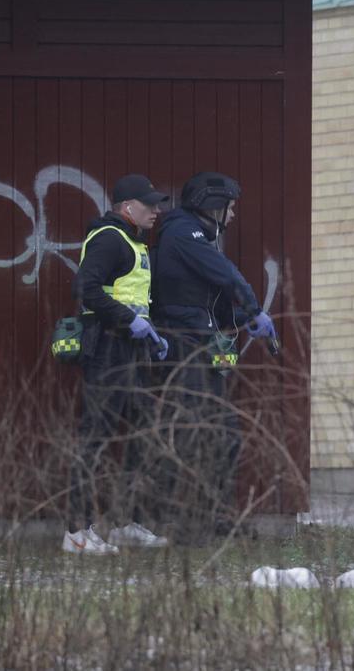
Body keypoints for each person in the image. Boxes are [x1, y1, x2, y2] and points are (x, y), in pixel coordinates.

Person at [149, 171, 277, 543]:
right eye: (230, 208)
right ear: (213, 205)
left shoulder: (198, 238)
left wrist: (242, 320)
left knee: (224, 434)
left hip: (202, 343)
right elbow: (226, 275)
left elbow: (209, 304)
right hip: (184, 347)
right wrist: (253, 308)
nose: (233, 216)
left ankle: (217, 517)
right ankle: (188, 523)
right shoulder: (182, 233)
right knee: (194, 435)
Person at [63, 174, 171, 554]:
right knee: (95, 439)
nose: (157, 210)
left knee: (141, 435)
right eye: (150, 204)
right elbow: (85, 289)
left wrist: (151, 334)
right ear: (128, 207)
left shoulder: (131, 241)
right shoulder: (110, 238)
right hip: (108, 349)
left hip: (131, 350)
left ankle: (127, 522)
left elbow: (131, 297)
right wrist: (129, 321)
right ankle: (76, 533)